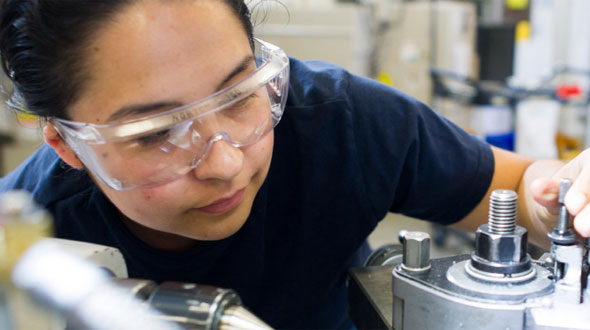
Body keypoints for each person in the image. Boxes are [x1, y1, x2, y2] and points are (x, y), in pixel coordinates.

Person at [0, 0, 589, 328]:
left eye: (238, 95)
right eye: (156, 133)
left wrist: (570, 190)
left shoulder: (341, 119)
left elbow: (520, 190)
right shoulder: (28, 245)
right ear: (67, 146)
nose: (226, 163)